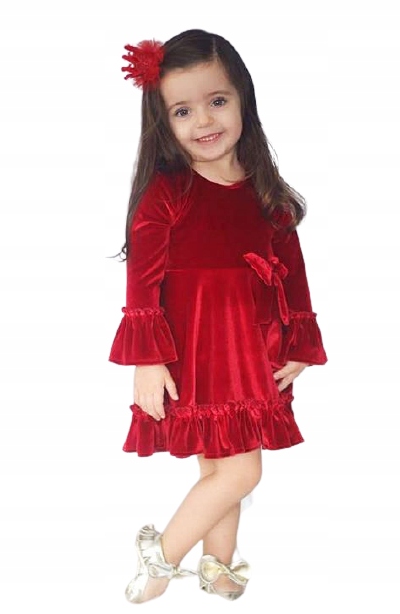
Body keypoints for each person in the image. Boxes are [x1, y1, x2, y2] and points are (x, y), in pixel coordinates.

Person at [108, 29, 328, 604]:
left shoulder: (266, 193)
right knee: (242, 471)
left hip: (249, 347)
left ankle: (218, 566)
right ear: (163, 122)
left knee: (219, 467)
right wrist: (148, 360)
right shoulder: (168, 191)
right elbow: (143, 281)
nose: (204, 120)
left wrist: (300, 343)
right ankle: (162, 556)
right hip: (196, 348)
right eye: (183, 110)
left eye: (217, 101)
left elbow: (293, 273)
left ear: (243, 99)